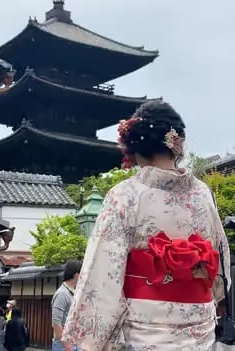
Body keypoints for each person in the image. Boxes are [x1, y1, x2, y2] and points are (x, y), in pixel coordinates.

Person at [62, 101, 231, 351]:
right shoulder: (204, 195)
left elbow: (103, 277)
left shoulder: (125, 196)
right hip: (201, 331)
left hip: (144, 333)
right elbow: (219, 263)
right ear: (177, 143)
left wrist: (91, 339)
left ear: (134, 150)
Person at [52, 260, 82, 351]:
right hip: (64, 345)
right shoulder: (62, 294)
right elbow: (56, 322)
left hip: (73, 343)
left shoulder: (72, 293)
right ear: (76, 274)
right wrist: (67, 346)